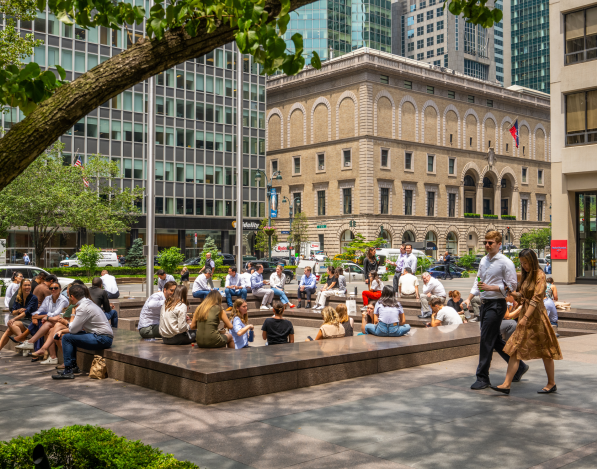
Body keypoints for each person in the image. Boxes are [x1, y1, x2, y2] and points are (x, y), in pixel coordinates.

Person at [491, 249, 563, 395]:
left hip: (537, 318)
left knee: (546, 351)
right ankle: (506, 384)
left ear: (532, 261)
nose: (523, 266)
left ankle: (551, 383)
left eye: (526, 263)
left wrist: (524, 318)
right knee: (514, 349)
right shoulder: (527, 275)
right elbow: (523, 296)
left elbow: (536, 299)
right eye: (522, 263)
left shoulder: (540, 275)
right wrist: (511, 293)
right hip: (527, 316)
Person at [464, 230, 529, 391]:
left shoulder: (506, 263)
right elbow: (478, 280)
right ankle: (519, 367)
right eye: (485, 242)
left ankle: (482, 377)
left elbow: (512, 286)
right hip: (485, 304)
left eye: (490, 242)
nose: (487, 245)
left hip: (497, 304)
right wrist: (469, 298)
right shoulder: (483, 261)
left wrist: (491, 287)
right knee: (493, 339)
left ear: (499, 244)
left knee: (486, 339)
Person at [52, 284, 114, 380]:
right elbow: (77, 329)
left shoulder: (82, 307)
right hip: (102, 336)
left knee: (66, 338)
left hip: (102, 338)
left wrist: (65, 323)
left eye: (69, 296)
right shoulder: (88, 303)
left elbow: (73, 329)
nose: (69, 298)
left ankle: (68, 370)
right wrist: (63, 330)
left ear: (72, 296)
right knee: (71, 336)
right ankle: (73, 367)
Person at [14, 280, 70, 356]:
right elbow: (40, 310)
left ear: (60, 289)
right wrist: (35, 317)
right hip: (49, 321)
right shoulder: (48, 298)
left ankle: (30, 343)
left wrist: (40, 316)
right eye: (51, 288)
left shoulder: (63, 300)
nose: (53, 289)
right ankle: (46, 353)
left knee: (44, 321)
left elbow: (56, 314)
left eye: (55, 288)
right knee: (43, 322)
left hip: (58, 321)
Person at [29, 282, 76, 364]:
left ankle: (33, 344)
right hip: (67, 325)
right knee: (49, 327)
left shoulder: (67, 302)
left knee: (52, 327)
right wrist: (38, 316)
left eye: (68, 290)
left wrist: (46, 317)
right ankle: (53, 357)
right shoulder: (71, 304)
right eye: (51, 288)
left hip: (74, 328)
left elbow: (60, 317)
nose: (67, 291)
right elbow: (44, 311)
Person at [0, 280, 38, 354]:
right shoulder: (18, 297)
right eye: (25, 285)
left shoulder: (33, 298)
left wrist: (14, 319)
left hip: (31, 321)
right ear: (21, 287)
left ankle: (24, 342)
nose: (27, 287)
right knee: (9, 330)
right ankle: (24, 342)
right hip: (21, 320)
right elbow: (13, 312)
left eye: (29, 285)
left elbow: (25, 313)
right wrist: (18, 311)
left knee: (11, 325)